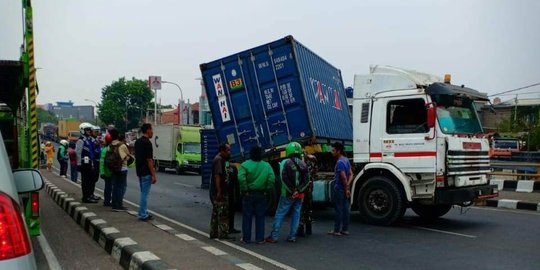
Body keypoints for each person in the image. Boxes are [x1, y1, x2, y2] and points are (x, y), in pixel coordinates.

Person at [266, 142, 309, 243]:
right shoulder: (303, 164)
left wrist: (292, 191)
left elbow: (283, 178)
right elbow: (306, 180)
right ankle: (292, 237)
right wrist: (298, 190)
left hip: (287, 194)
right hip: (299, 195)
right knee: (296, 214)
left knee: (280, 213)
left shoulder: (285, 162)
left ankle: (274, 236)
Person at [237, 146, 275, 244]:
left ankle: (246, 238)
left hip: (248, 193)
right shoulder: (266, 166)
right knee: (260, 216)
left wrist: (245, 190)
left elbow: (241, 178)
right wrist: (267, 189)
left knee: (247, 216)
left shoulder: (245, 165)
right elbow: (271, 179)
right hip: (261, 193)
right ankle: (260, 239)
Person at [209, 143, 234, 240]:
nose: (229, 152)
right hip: (220, 191)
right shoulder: (218, 160)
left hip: (220, 190)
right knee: (223, 213)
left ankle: (214, 233)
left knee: (216, 212)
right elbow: (217, 176)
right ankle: (223, 234)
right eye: (227, 150)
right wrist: (219, 190)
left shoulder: (223, 160)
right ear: (222, 150)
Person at [329, 142, 353, 236]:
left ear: (338, 151)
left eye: (333, 150)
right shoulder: (346, 160)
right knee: (346, 209)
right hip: (345, 188)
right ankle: (345, 229)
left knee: (338, 209)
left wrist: (346, 188)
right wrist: (348, 186)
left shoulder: (339, 162)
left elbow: (343, 177)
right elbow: (351, 174)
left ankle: (336, 230)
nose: (332, 152)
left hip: (339, 188)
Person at [134, 123, 157, 221]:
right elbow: (149, 160)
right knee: (145, 194)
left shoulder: (137, 142)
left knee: (143, 193)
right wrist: (153, 174)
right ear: (147, 130)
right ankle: (143, 214)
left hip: (139, 171)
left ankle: (142, 212)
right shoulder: (147, 143)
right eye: (151, 130)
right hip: (146, 172)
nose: (152, 132)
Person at [76, 122, 98, 203]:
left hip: (90, 163)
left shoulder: (88, 140)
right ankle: (86, 197)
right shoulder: (81, 141)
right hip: (84, 164)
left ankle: (89, 195)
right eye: (87, 130)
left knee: (90, 180)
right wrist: (79, 164)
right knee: (85, 181)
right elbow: (78, 153)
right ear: (82, 131)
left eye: (89, 130)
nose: (89, 132)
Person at [110, 131, 132, 211]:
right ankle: (119, 204)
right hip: (122, 168)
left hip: (114, 168)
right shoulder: (123, 145)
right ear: (123, 139)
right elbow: (125, 157)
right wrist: (128, 157)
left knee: (115, 186)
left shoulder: (112, 145)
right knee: (121, 187)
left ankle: (114, 203)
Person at [297, 153, 317, 237]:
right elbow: (315, 172)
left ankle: (300, 230)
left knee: (300, 208)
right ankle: (309, 229)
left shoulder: (298, 161)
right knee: (308, 207)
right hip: (309, 187)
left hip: (301, 187)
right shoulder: (313, 158)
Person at [99, 133, 113, 207]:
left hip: (108, 172)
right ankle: (107, 201)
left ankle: (107, 201)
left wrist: (102, 172)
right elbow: (102, 162)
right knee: (109, 187)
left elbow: (101, 162)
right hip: (110, 172)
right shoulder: (108, 149)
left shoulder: (104, 149)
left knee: (109, 187)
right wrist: (102, 172)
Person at [90, 125, 102, 201]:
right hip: (93, 161)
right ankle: (90, 194)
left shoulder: (96, 140)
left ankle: (92, 194)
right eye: (96, 131)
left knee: (95, 179)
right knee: (92, 179)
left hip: (98, 161)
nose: (97, 133)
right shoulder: (91, 140)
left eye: (98, 131)